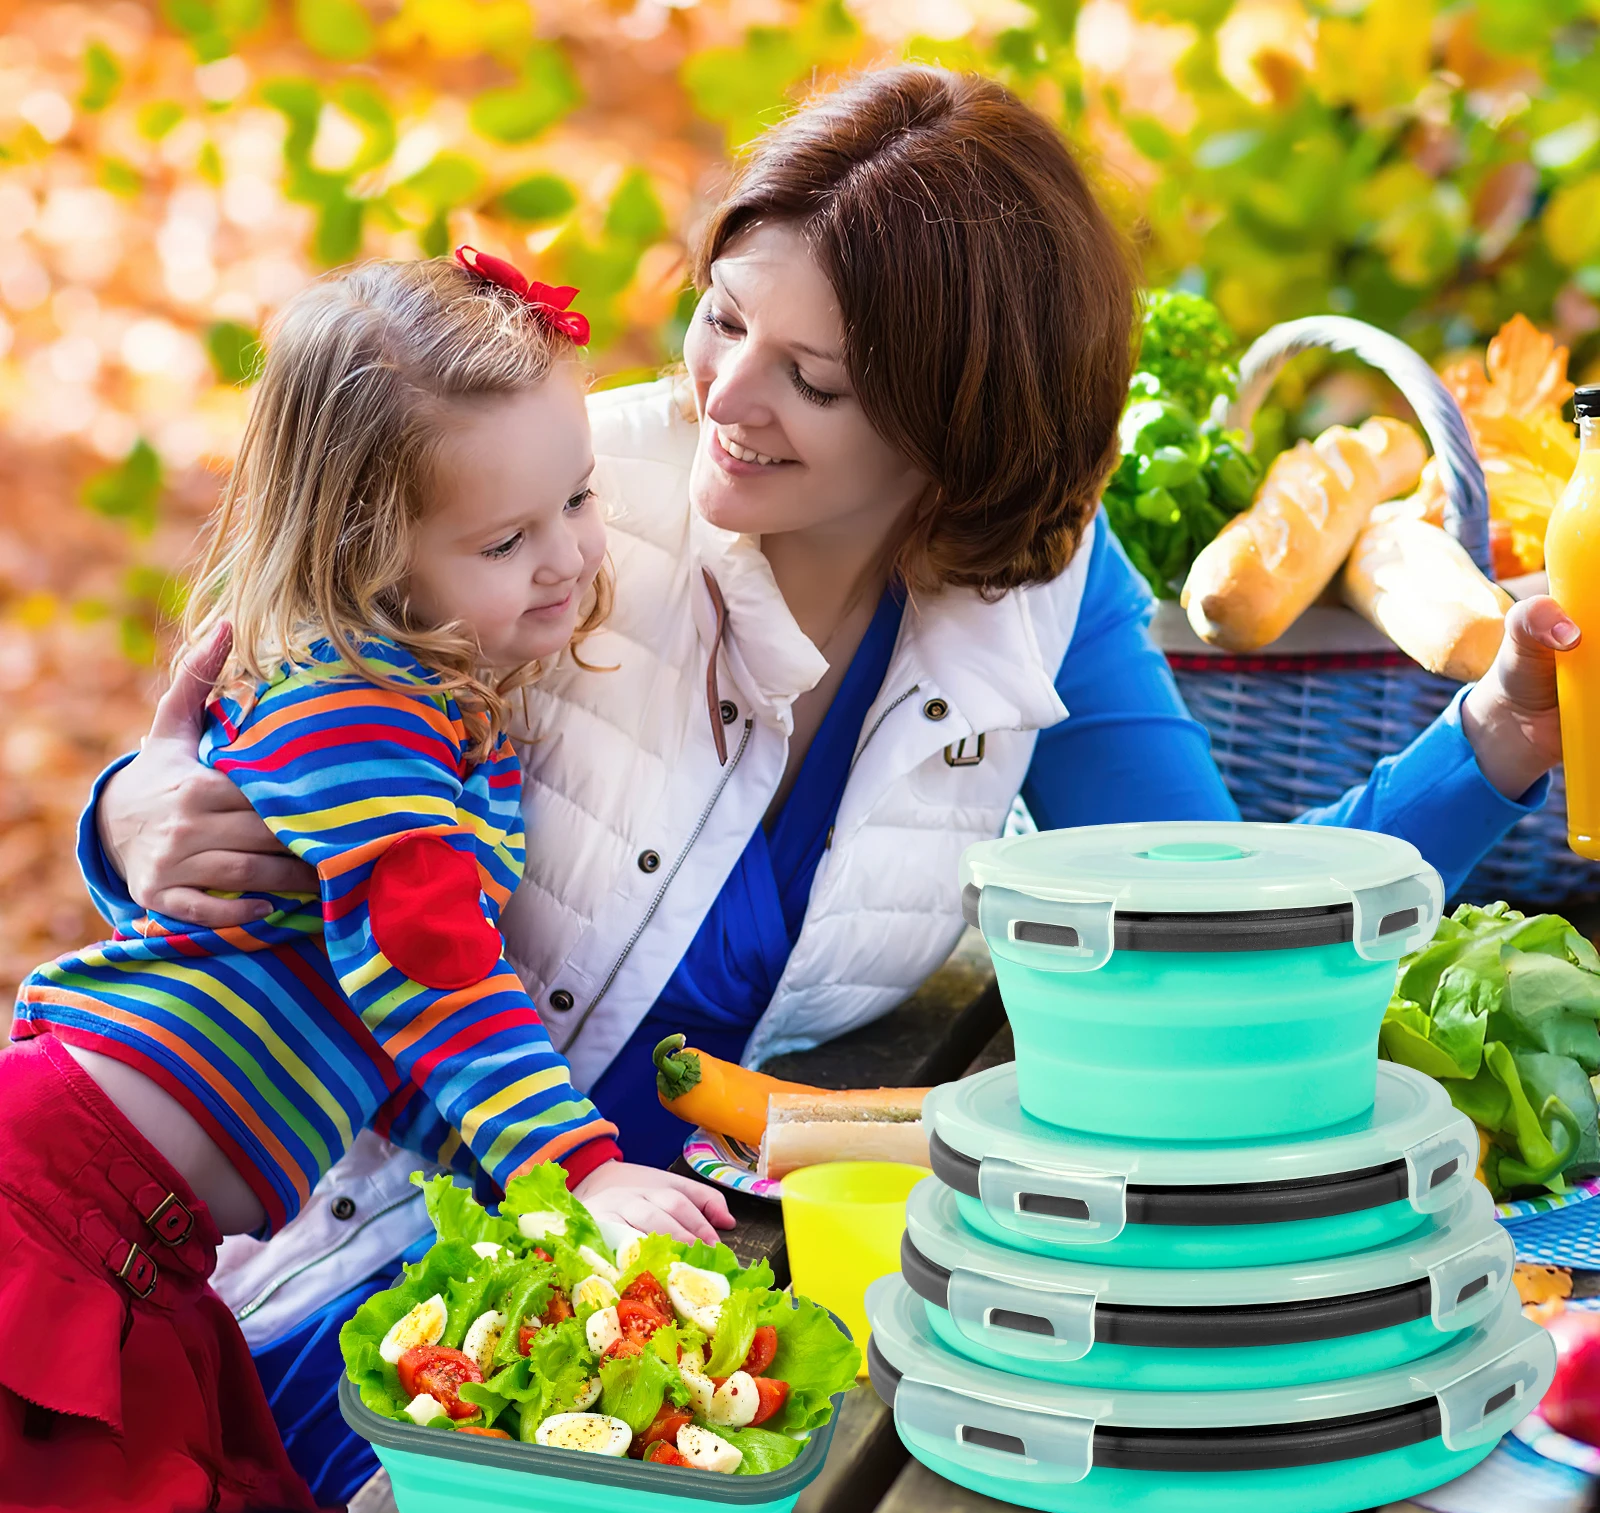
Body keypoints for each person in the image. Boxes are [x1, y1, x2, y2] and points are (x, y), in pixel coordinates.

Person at [95, 63, 1575, 1184]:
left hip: (678, 1247)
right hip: (343, 1210)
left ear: (959, 424)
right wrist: (130, 818)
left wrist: (1498, 735)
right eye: (725, 319)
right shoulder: (535, 498)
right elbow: (265, 749)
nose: (725, 398)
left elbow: (1226, 918)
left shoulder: (1042, 587)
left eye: (815, 380)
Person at [0, 247, 728, 1513]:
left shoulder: (437, 705)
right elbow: (418, 966)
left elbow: (385, 1043)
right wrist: (573, 1167)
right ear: (364, 549)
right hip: (55, 1197)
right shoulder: (356, 705)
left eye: (575, 501)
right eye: (506, 541)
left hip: (147, 1235)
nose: (568, 556)